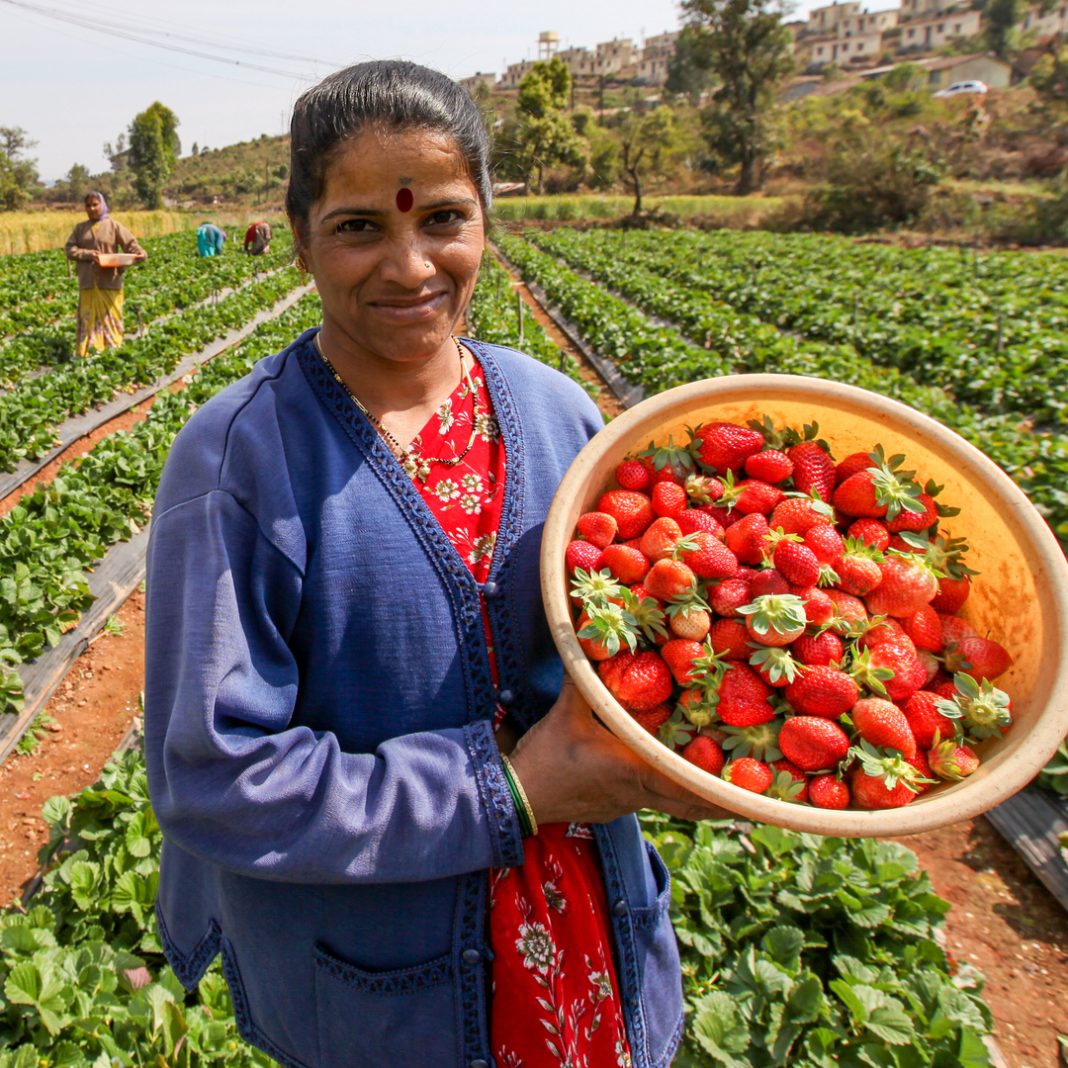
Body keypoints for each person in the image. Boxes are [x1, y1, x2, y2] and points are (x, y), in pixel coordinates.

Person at [143, 59, 722, 1068]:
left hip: (589, 935)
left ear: (488, 220)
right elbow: (214, 775)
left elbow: (626, 646)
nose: (411, 267)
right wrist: (508, 789)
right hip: (384, 987)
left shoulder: (555, 410)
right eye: (359, 227)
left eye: (444, 219)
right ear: (299, 241)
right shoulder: (242, 459)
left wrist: (682, 742)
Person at [64, 191, 147, 356]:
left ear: (102, 205)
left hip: (109, 280)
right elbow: (70, 249)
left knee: (111, 319)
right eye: (88, 205)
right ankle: (87, 353)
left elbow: (131, 244)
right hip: (88, 282)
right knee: (88, 319)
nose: (91, 208)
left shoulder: (114, 226)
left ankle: (112, 352)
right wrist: (88, 254)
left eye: (95, 205)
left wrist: (140, 253)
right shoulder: (80, 229)